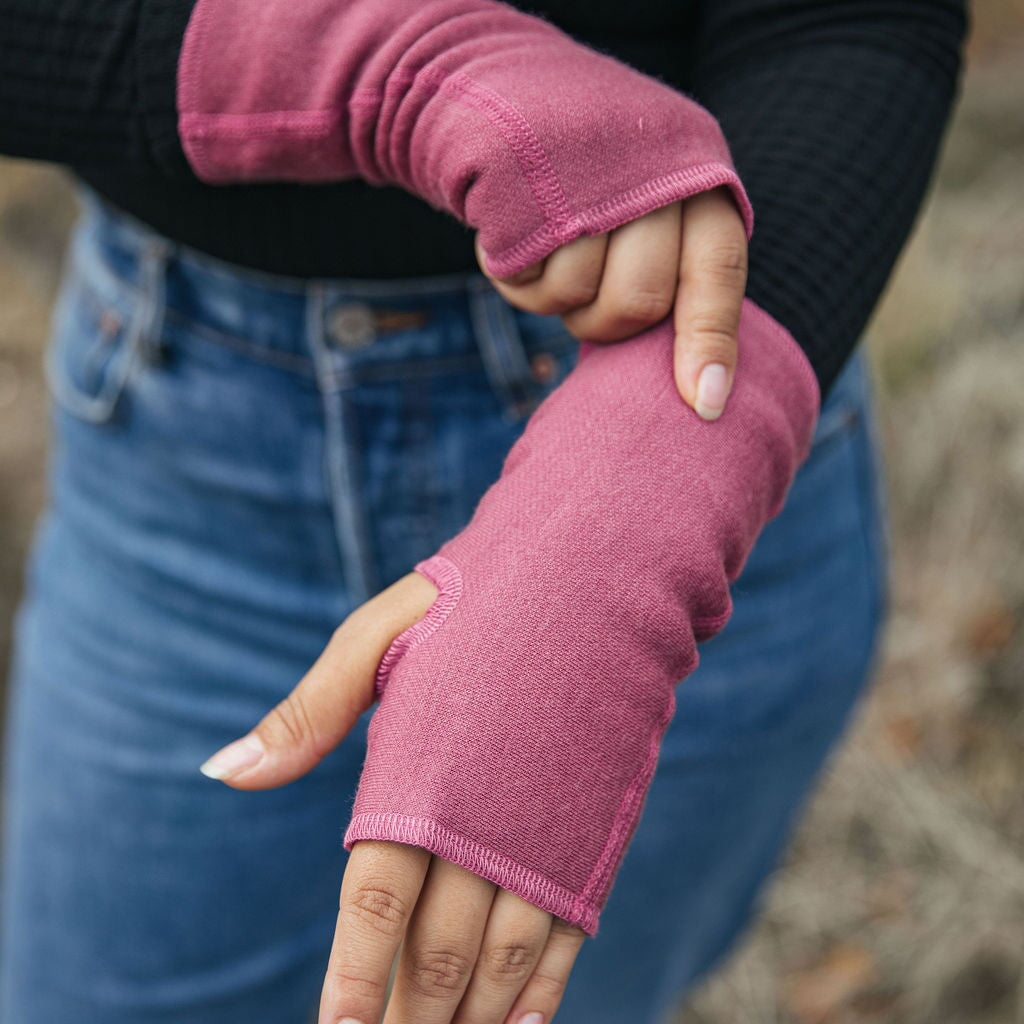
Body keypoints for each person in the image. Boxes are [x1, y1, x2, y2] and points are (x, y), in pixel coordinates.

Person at [0, 1, 967, 1023]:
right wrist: (377, 62)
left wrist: (623, 520)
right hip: (194, 449)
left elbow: (857, 19)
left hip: (691, 442)